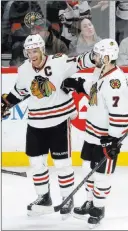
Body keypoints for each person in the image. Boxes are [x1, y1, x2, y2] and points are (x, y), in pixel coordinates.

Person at [1, 34, 95, 217]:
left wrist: (97, 56)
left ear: (43, 50)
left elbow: (80, 62)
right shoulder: (23, 70)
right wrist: (5, 104)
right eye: (28, 52)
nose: (32, 55)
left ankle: (67, 198)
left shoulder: (59, 62)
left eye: (35, 50)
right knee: (36, 163)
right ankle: (44, 197)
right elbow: (18, 93)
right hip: (35, 123)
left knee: (62, 164)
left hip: (59, 121)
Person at [62, 38, 128, 228]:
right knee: (86, 169)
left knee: (101, 175)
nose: (94, 57)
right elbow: (94, 92)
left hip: (105, 138)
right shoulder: (100, 72)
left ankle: (98, 208)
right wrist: (78, 85)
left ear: (107, 58)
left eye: (98, 55)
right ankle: (90, 201)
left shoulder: (115, 82)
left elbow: (121, 114)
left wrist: (113, 140)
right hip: (91, 133)